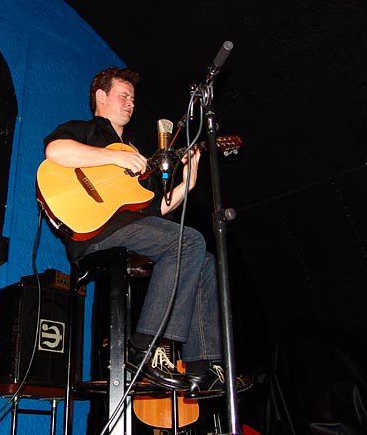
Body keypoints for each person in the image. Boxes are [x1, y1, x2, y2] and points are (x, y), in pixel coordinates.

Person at [43, 66, 242, 399]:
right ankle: (147, 345)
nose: (131, 103)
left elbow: (157, 211)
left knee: (204, 259)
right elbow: (55, 152)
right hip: (94, 233)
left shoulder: (136, 156)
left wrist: (186, 183)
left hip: (132, 228)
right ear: (101, 97)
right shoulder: (86, 131)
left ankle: (201, 368)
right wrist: (112, 158)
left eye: (133, 99)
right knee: (190, 240)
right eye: (124, 95)